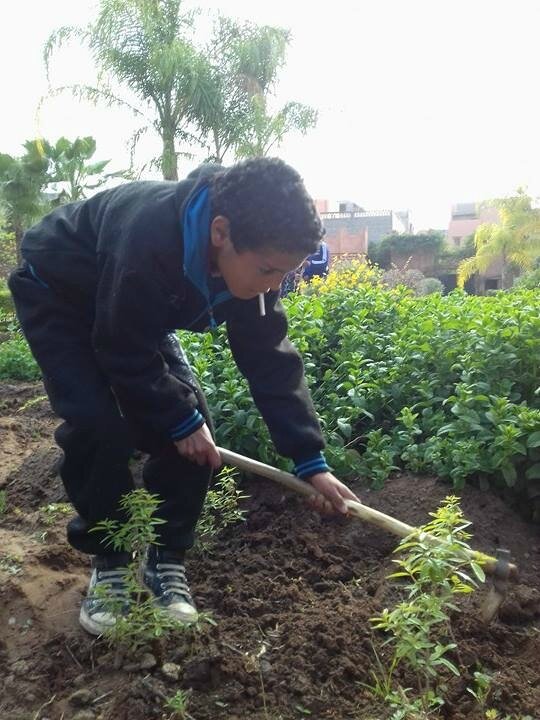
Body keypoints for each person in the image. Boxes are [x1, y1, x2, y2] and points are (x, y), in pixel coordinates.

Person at [8, 157, 359, 636]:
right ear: (220, 233)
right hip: (62, 294)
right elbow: (119, 344)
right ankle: (110, 560)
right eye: (267, 270)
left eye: (284, 275)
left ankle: (164, 558)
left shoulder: (254, 269)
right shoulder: (149, 234)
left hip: (132, 310)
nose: (272, 286)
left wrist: (309, 459)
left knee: (198, 434)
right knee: (96, 424)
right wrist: (176, 418)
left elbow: (271, 362)